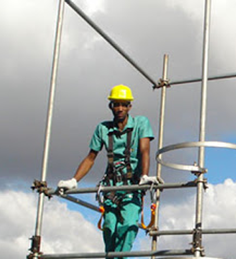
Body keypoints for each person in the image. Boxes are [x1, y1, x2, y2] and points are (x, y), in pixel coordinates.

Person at [57, 84, 159, 257]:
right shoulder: (103, 129)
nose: (119, 108)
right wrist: (74, 180)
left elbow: (144, 151)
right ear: (110, 106)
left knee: (127, 229)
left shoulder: (141, 123)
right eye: (116, 104)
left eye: (123, 104)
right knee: (110, 229)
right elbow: (91, 157)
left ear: (129, 106)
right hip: (111, 187)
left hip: (132, 186)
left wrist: (144, 176)